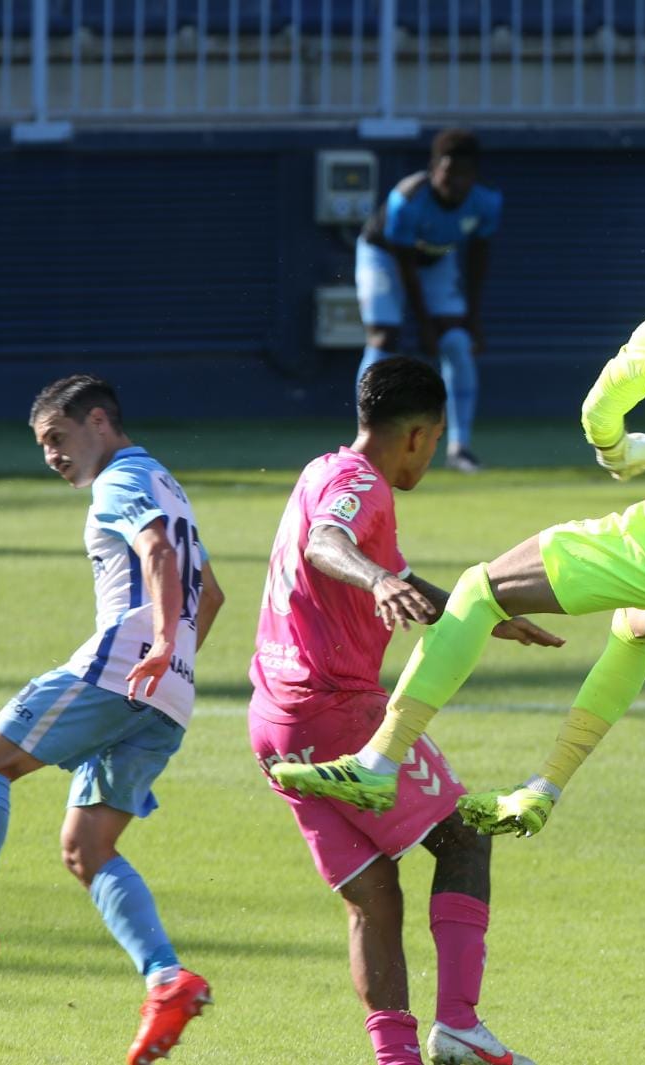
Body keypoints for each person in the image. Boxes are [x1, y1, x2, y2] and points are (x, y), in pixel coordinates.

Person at [271, 202, 645, 843]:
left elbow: (596, 414)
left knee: (480, 590)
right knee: (634, 629)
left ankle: (377, 762)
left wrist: (619, 454)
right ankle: (543, 788)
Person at [0, 375, 226, 1065]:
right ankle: (167, 977)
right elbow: (211, 593)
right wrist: (172, 664)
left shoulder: (120, 481)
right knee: (87, 848)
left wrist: (156, 645)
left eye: (56, 438)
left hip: (120, 668)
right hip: (167, 696)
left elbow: (156, 550)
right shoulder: (166, 478)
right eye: (43, 445)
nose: (50, 456)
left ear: (98, 421)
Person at [249, 357, 561, 1065]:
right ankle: (457, 1023)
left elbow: (359, 551)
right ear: (420, 434)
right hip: (335, 712)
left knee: (373, 896)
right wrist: (378, 577)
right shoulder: (360, 484)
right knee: (463, 837)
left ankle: (396, 1059)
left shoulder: (320, 469)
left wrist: (476, 613)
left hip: (273, 722)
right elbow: (329, 544)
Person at [356, 128, 500, 473]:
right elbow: (405, 265)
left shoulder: (487, 201)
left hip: (437, 259)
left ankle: (460, 446)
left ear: (474, 175)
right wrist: (423, 324)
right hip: (386, 258)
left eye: (465, 175)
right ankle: (364, 446)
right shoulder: (406, 199)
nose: (456, 182)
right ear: (434, 168)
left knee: (457, 341)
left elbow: (478, 257)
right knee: (383, 337)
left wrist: (473, 318)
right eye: (449, 173)